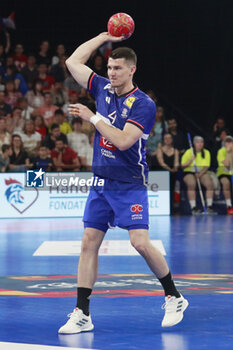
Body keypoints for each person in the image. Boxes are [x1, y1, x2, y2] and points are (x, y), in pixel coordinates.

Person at [58, 32, 188, 334]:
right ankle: (83, 313)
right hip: (101, 182)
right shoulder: (102, 87)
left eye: (117, 68)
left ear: (132, 70)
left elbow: (123, 141)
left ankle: (174, 295)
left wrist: (92, 118)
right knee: (89, 242)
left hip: (129, 183)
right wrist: (103, 37)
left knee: (139, 243)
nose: (111, 73)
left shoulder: (144, 104)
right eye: (108, 68)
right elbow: (72, 61)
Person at [181, 136, 215, 214]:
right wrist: (190, 160)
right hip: (189, 172)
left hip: (202, 172)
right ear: (194, 143)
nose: (200, 144)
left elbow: (207, 166)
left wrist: (199, 175)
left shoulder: (206, 152)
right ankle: (193, 207)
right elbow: (182, 166)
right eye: (198, 142)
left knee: (209, 184)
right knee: (191, 184)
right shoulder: (189, 152)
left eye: (201, 142)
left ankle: (209, 206)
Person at [156, 133, 179, 213]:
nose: (168, 140)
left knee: (173, 189)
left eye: (169, 138)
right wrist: (169, 169)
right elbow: (161, 162)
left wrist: (174, 168)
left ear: (172, 140)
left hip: (173, 173)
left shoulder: (175, 150)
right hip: (163, 173)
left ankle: (172, 208)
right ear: (163, 140)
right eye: (166, 138)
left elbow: (176, 161)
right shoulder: (160, 150)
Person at [216, 135, 233, 215]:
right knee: (226, 183)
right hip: (223, 172)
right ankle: (229, 206)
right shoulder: (221, 151)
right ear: (224, 143)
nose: (229, 143)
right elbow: (226, 164)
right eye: (227, 142)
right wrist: (228, 152)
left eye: (230, 142)